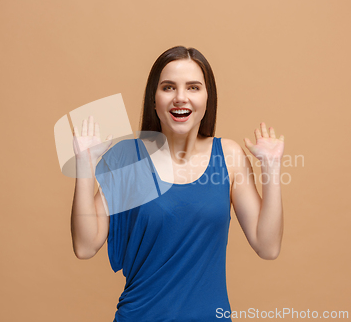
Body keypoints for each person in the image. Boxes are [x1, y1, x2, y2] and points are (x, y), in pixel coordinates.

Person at [70, 46, 285, 322]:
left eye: (193, 87)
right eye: (168, 87)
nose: (180, 98)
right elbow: (85, 246)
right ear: (154, 99)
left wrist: (272, 168)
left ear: (208, 98)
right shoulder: (128, 160)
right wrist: (85, 165)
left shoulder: (229, 157)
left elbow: (268, 247)